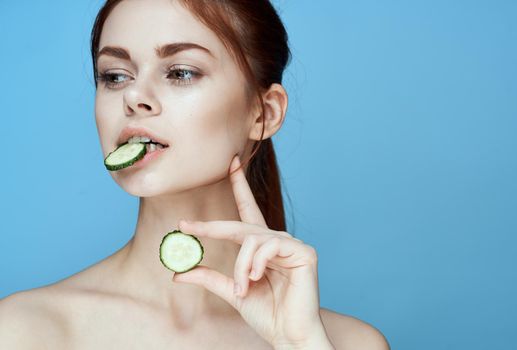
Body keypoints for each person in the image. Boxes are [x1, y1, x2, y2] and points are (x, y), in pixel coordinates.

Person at [0, 0, 389, 349]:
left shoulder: (350, 343)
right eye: (115, 76)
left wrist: (298, 343)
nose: (133, 97)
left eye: (181, 72)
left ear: (264, 112)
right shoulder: (22, 331)